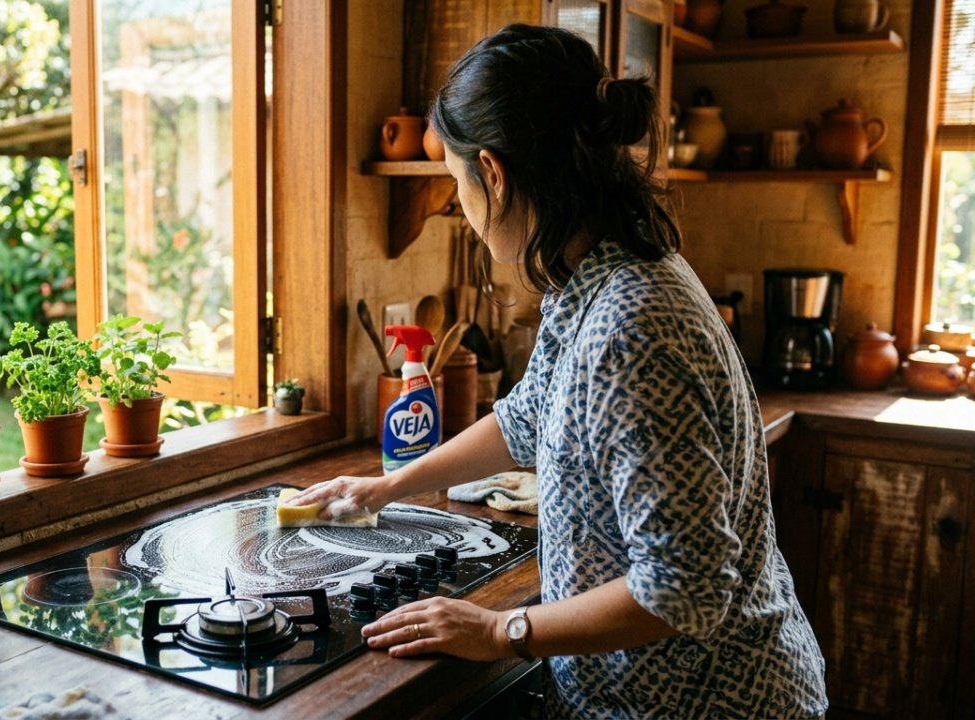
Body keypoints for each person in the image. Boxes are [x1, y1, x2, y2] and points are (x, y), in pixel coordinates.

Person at [287, 24, 828, 719]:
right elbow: (526, 417)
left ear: (494, 173)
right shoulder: (594, 277)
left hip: (706, 703)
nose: (464, 211)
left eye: (458, 186)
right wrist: (389, 486)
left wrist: (498, 629)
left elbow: (684, 587)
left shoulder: (633, 327)